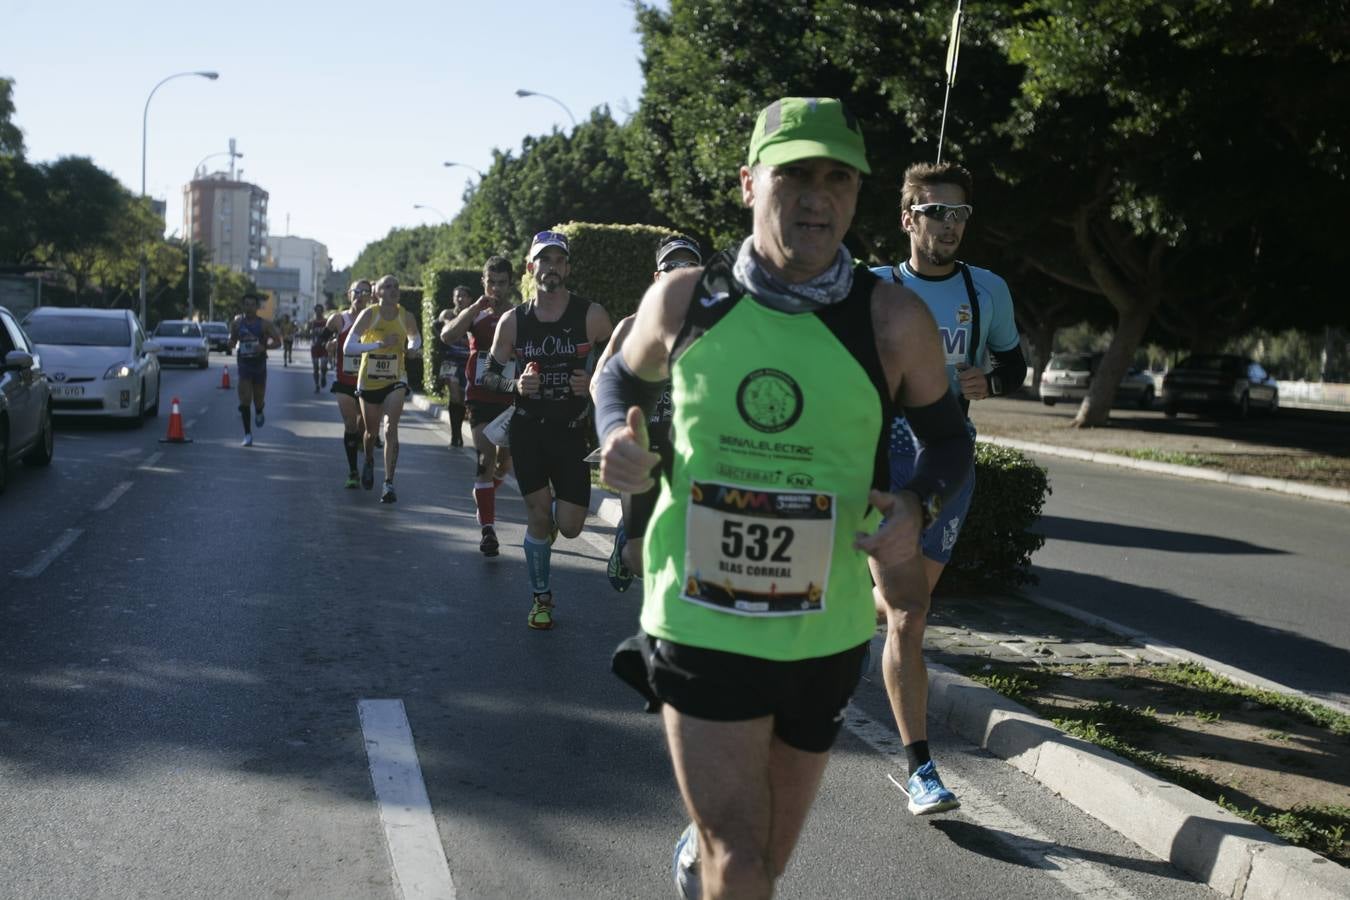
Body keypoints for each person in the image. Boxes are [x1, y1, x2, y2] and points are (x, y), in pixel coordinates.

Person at [594, 97, 973, 899]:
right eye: (794, 174)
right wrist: (615, 442)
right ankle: (712, 853)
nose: (816, 197)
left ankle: (700, 857)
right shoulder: (687, 302)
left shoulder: (891, 320)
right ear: (748, 184)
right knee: (742, 861)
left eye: (838, 179)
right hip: (699, 616)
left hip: (823, 631)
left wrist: (916, 507)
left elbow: (949, 441)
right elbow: (619, 378)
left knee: (761, 861)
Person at [868, 161, 1027, 816]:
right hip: (881, 461)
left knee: (903, 608)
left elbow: (1015, 365)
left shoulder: (987, 291)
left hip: (948, 462)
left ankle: (843, 616)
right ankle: (922, 770)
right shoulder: (873, 288)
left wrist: (990, 381)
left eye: (959, 214)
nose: (949, 224)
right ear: (909, 219)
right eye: (936, 212)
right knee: (907, 614)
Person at [480, 231, 613, 630]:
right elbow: (488, 376)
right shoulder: (513, 321)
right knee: (538, 514)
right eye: (544, 260)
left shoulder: (592, 315)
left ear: (567, 268)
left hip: (571, 432)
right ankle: (541, 598)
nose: (551, 267)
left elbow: (621, 366)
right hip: (529, 430)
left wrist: (592, 381)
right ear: (530, 267)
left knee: (570, 526)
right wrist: (515, 385)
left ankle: (549, 528)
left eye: (558, 260)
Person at [592, 233, 702, 593]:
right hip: (644, 447)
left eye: (689, 265)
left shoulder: (716, 329)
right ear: (657, 277)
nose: (680, 272)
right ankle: (625, 545)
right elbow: (600, 381)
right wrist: (616, 429)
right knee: (641, 560)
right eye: (672, 266)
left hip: (690, 451)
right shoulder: (631, 327)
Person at [439, 258, 517, 557]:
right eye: (490, 282)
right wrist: (473, 309)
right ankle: (488, 530)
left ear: (510, 284)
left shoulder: (518, 314)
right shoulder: (475, 313)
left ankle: (482, 494)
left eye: (501, 283)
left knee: (504, 465)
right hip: (480, 396)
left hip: (510, 397)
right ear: (483, 282)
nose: (495, 289)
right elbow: (447, 336)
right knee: (486, 459)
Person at [342, 275, 421, 503]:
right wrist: (379, 344)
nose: (393, 290)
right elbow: (349, 347)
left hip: (396, 378)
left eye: (396, 286)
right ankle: (368, 459)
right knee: (371, 433)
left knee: (390, 429)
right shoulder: (370, 314)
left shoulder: (406, 316)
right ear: (377, 292)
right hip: (369, 380)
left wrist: (413, 349)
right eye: (387, 286)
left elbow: (415, 339)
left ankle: (388, 483)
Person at [326, 279, 373, 487]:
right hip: (344, 380)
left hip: (368, 381)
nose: (360, 295)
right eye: (357, 291)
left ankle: (364, 448)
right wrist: (330, 344)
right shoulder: (339, 319)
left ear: (371, 296)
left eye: (365, 292)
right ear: (349, 294)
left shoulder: (375, 319)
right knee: (350, 424)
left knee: (366, 427)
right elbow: (322, 338)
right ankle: (353, 472)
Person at [227, 293, 283, 447]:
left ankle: (259, 410)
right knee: (245, 399)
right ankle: (247, 434)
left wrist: (264, 347)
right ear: (242, 306)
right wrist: (230, 343)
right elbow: (232, 340)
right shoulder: (237, 324)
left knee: (258, 399)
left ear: (257, 307)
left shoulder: (264, 324)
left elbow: (278, 342)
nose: (249, 308)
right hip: (244, 364)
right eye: (246, 304)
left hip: (259, 365)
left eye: (252, 305)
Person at [439, 287, 474, 448]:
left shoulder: (474, 315)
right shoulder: (447, 314)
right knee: (454, 395)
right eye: (457, 296)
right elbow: (441, 328)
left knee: (463, 398)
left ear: (470, 299)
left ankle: (458, 431)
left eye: (464, 296)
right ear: (453, 299)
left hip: (468, 361)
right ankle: (455, 435)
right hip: (450, 361)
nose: (460, 299)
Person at [309, 303, 331, 392]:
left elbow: (330, 333)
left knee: (323, 366)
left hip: (324, 346)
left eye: (320, 310)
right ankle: (317, 385)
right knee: (315, 367)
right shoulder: (312, 322)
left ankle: (323, 376)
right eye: (317, 310)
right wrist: (311, 333)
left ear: (322, 311)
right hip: (315, 346)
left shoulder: (326, 321)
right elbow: (309, 334)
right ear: (315, 311)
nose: (318, 312)